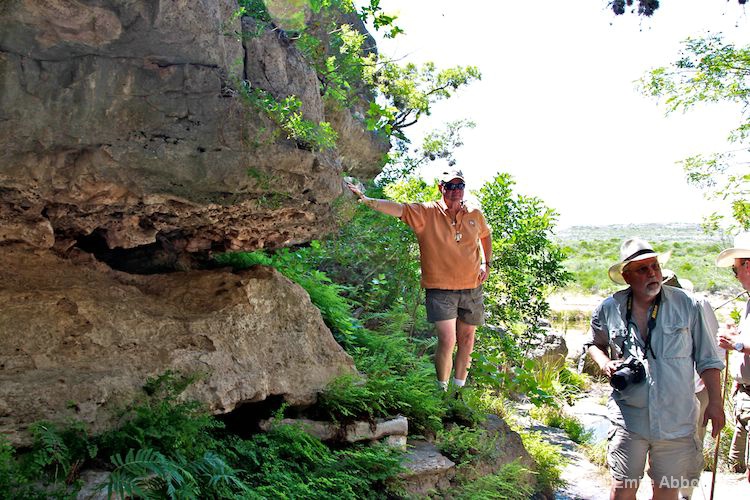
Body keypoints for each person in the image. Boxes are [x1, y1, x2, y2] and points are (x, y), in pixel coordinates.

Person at [585, 237, 725, 500]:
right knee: (622, 489)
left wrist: (716, 403)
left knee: (667, 491)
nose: (652, 274)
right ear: (627, 276)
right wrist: (605, 364)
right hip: (629, 419)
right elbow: (593, 344)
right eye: (642, 269)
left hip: (678, 422)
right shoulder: (609, 307)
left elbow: (708, 360)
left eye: (655, 267)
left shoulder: (688, 305)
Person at [345, 169, 492, 391]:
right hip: (440, 289)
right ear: (441, 188)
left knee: (468, 340)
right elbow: (399, 209)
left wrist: (486, 263)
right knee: (448, 340)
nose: (455, 191)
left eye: (459, 186)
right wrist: (367, 201)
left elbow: (485, 235)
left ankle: (458, 392)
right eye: (450, 186)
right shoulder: (426, 212)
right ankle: (440, 391)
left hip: (472, 287)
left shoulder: (474, 213)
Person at [662, 270, 721, 500]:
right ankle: (669, 490)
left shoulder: (698, 304)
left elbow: (714, 348)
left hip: (699, 386)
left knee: (693, 438)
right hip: (670, 388)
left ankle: (685, 493)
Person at [715, 231, 750, 483]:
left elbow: (742, 345)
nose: (735, 275)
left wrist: (736, 344)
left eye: (735, 269)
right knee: (740, 466)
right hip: (745, 394)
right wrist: (737, 336)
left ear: (747, 265)